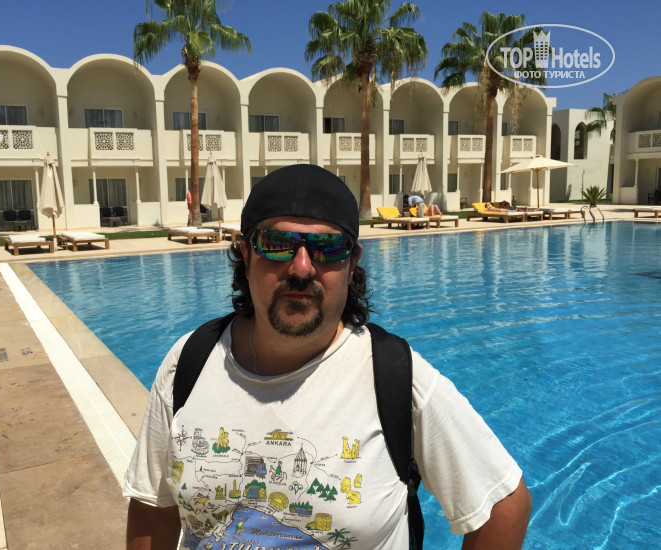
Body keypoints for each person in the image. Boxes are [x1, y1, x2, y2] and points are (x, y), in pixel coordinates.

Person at [124, 164, 532, 549]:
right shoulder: (190, 362)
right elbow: (153, 507)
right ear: (246, 255)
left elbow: (504, 504)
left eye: (327, 248)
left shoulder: (395, 377)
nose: (302, 268)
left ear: (352, 264)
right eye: (278, 244)